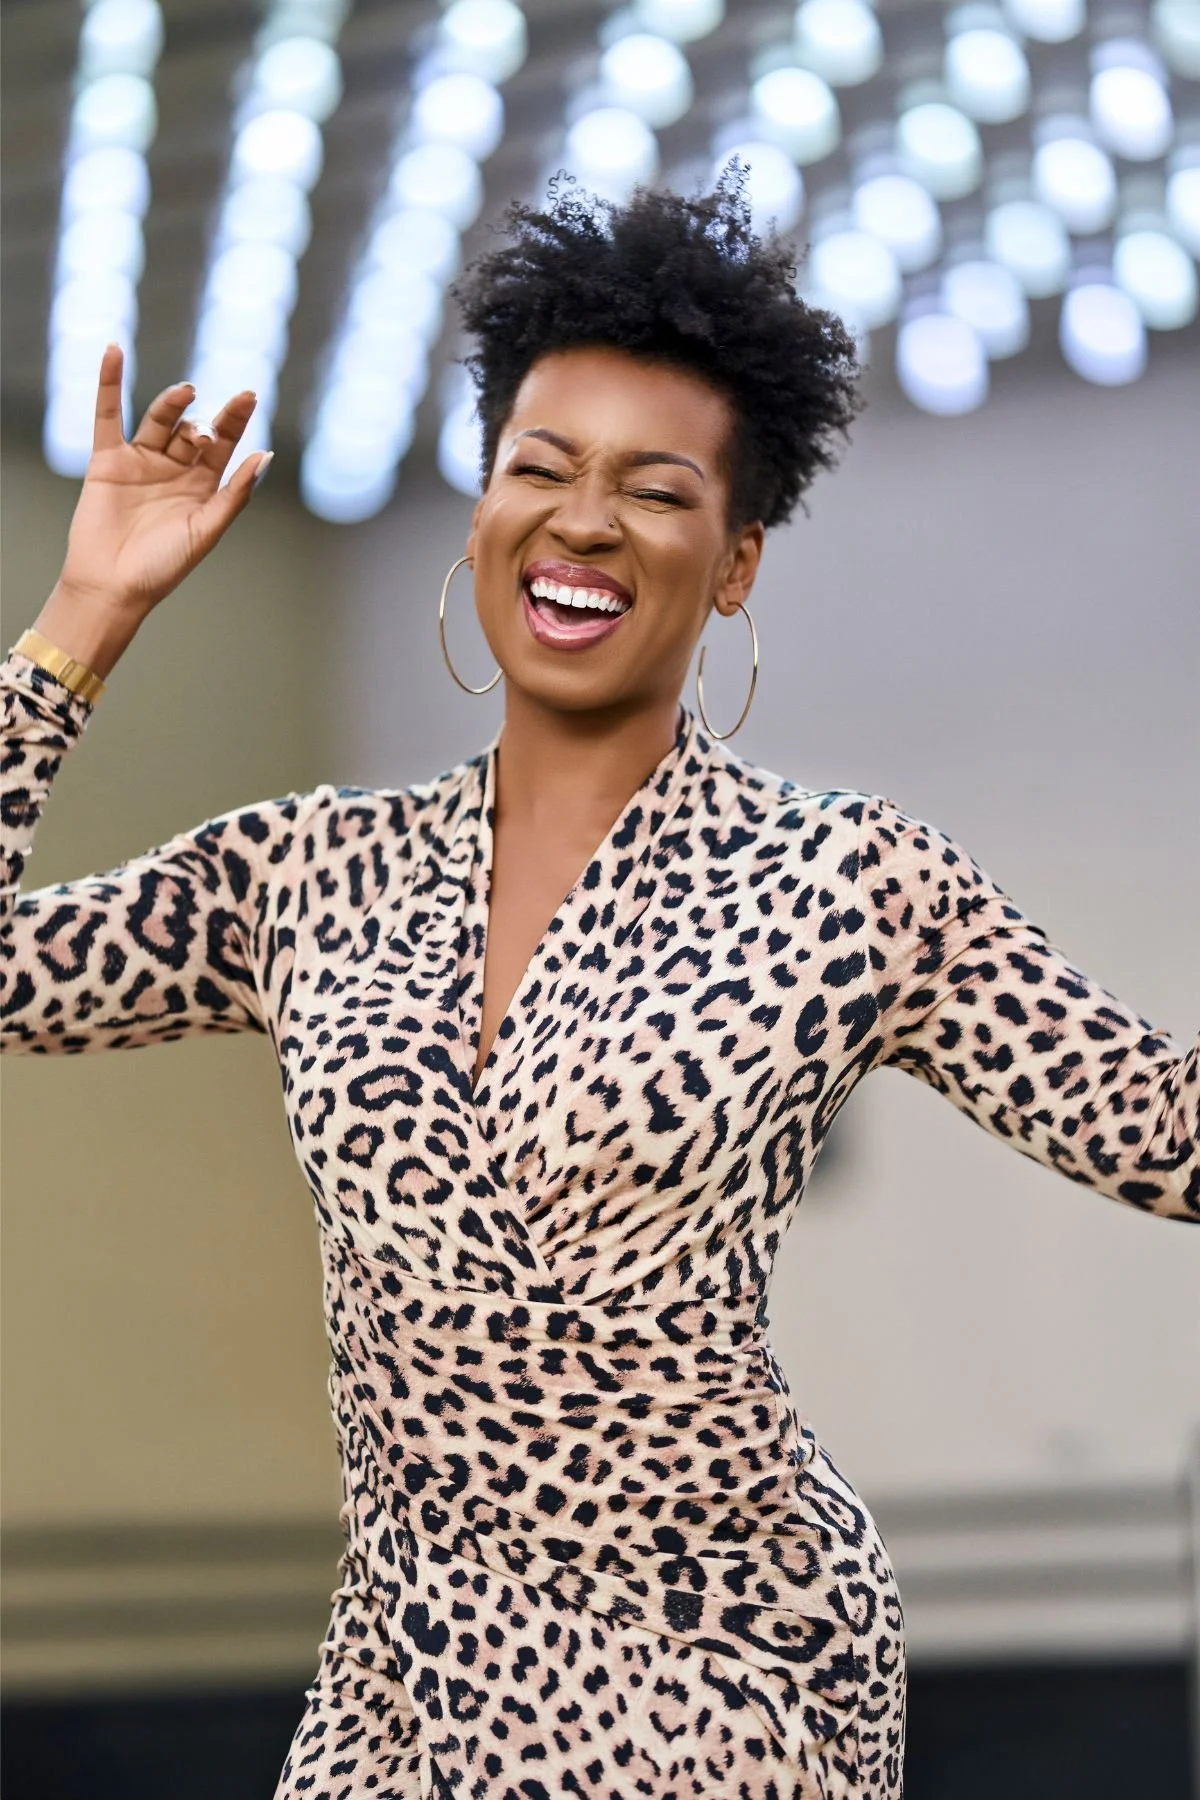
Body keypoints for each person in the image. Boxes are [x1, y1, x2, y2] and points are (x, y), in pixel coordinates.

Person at [2, 174, 1195, 1800]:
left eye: (654, 489)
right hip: (398, 1687)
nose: (582, 521)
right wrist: (90, 612)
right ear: (484, 507)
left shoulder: (851, 884)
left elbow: (1167, 1130)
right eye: (539, 470)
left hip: (723, 1682)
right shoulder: (302, 875)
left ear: (736, 563)